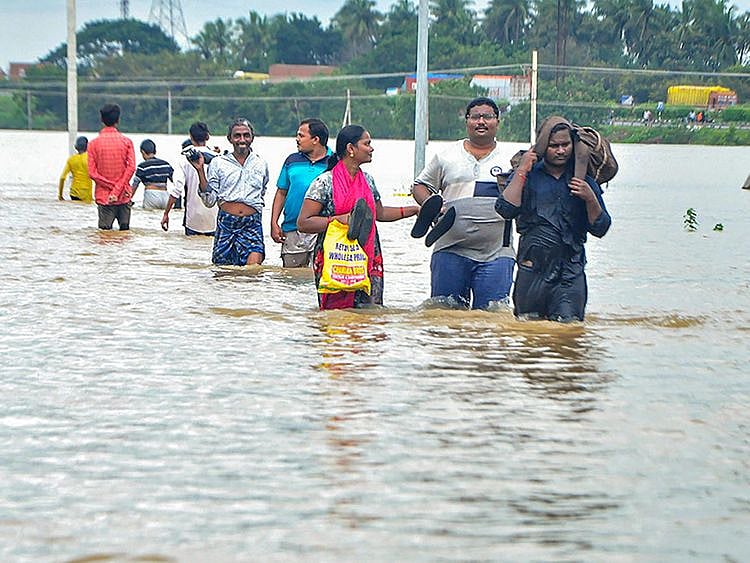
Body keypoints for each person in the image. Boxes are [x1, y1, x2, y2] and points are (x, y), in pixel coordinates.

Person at [495, 116, 612, 322]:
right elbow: (505, 209)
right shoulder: (528, 176)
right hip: (532, 268)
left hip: (571, 270)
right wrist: (522, 169)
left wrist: (590, 199)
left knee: (569, 328)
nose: (560, 151)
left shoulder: (583, 180)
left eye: (565, 145)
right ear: (542, 147)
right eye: (553, 146)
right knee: (527, 329)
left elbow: (601, 228)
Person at [297, 124, 419, 310]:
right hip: (334, 255)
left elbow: (380, 213)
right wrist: (337, 220)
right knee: (335, 317)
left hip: (368, 254)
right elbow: (303, 223)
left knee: (370, 313)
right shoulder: (324, 182)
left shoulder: (368, 180)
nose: (371, 148)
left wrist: (414, 210)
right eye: (367, 144)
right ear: (350, 149)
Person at [411, 96, 516, 310]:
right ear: (466, 121)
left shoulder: (512, 159)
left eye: (487, 117)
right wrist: (432, 205)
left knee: (492, 316)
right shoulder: (446, 155)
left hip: (496, 253)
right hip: (450, 248)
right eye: (475, 117)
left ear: (497, 121)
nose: (481, 122)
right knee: (444, 315)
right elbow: (419, 186)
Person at [191, 117, 269, 265]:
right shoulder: (218, 163)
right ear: (230, 139)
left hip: (252, 223)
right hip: (226, 222)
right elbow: (209, 201)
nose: (242, 140)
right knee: (223, 273)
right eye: (237, 136)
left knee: (253, 270)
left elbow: (262, 192)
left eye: (246, 135)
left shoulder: (261, 163)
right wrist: (200, 170)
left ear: (252, 138)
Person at [271, 118, 333, 267]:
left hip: (323, 230)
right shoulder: (291, 160)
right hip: (292, 230)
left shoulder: (334, 162)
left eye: (301, 136)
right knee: (291, 279)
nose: (297, 139)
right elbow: (281, 192)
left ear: (315, 139)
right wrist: (274, 223)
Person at [161, 123, 218, 236]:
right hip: (215, 219)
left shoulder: (184, 159)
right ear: (207, 137)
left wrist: (166, 213)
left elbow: (177, 189)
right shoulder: (218, 158)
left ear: (191, 137)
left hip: (192, 220)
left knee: (190, 249)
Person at [87, 103, 136, 230]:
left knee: (104, 235)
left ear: (102, 120)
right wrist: (118, 188)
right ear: (118, 120)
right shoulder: (127, 142)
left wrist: (112, 187)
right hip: (124, 195)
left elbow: (92, 173)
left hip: (105, 197)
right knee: (124, 235)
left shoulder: (93, 144)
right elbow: (131, 168)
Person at [131, 139, 174, 209]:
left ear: (142, 152)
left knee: (149, 218)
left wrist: (128, 199)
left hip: (151, 195)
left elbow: (135, 185)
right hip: (165, 196)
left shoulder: (142, 166)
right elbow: (175, 181)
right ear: (155, 151)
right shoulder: (166, 164)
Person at [58, 136, 92, 202]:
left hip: (73, 193)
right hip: (86, 193)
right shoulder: (90, 158)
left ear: (76, 147)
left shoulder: (71, 159)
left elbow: (62, 177)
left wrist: (60, 195)